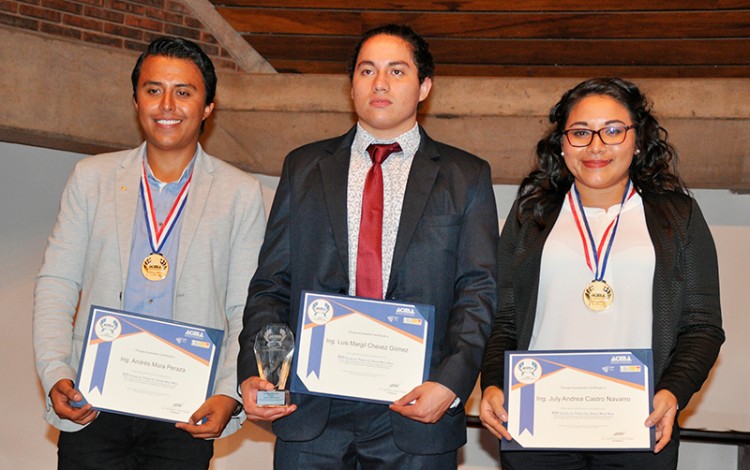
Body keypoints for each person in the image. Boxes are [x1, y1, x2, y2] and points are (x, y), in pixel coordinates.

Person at [237, 24, 498, 469]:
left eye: (397, 71)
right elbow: (271, 284)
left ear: (424, 87)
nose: (380, 83)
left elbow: (478, 291)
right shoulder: (304, 166)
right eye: (367, 70)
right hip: (310, 410)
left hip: (416, 410)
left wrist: (451, 383)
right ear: (351, 85)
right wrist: (255, 370)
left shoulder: (465, 175)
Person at [33, 37, 266, 468]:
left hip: (185, 411)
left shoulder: (241, 194)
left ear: (208, 106)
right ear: (136, 99)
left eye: (184, 92)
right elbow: (57, 283)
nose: (167, 105)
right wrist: (55, 371)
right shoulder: (92, 179)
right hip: (92, 404)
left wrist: (229, 391)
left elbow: (245, 306)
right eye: (153, 90)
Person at [479, 77, 725, 469]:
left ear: (638, 140)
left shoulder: (678, 217)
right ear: (562, 144)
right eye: (580, 132)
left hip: (638, 425)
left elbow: (702, 326)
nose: (596, 146)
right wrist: (492, 382)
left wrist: (673, 392)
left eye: (612, 130)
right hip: (539, 423)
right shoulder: (530, 216)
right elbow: (503, 319)